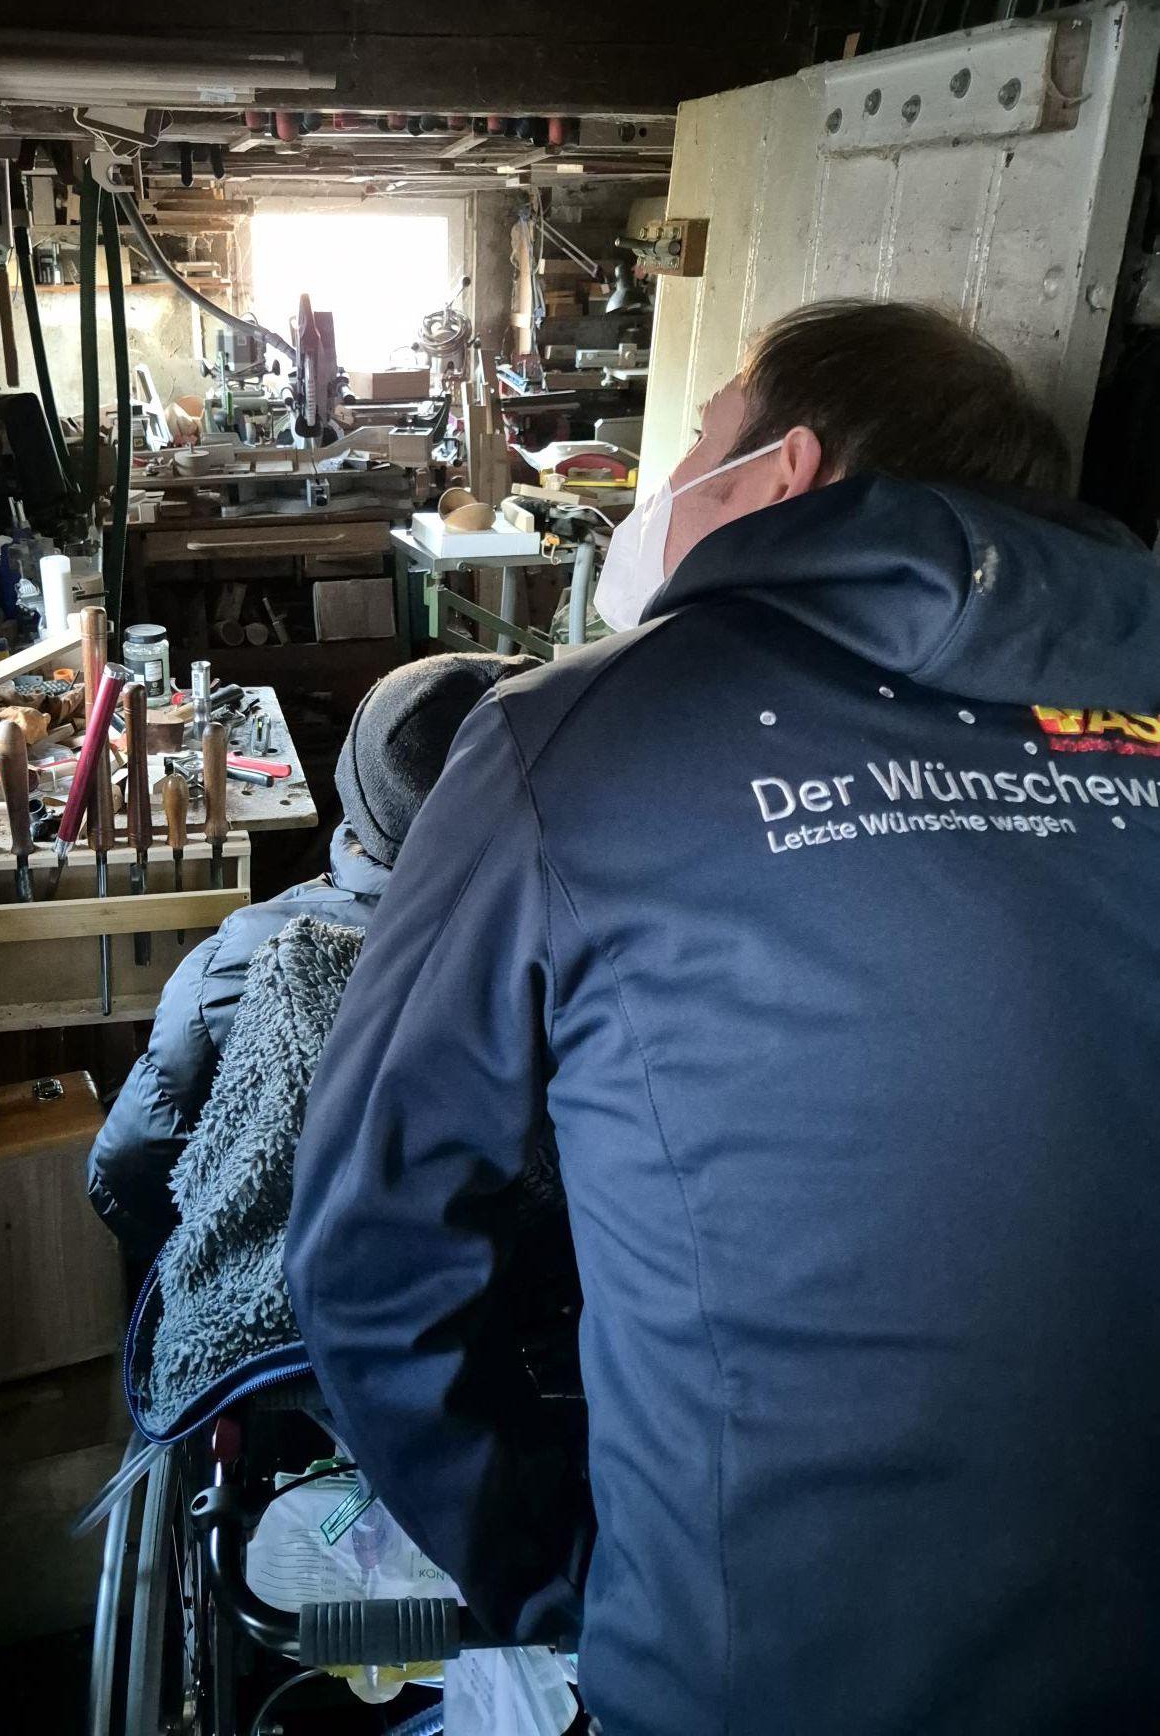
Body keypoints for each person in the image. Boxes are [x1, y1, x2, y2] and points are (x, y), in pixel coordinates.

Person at [285, 299, 1160, 1736]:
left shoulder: (574, 733)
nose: (664, 482)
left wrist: (565, 1578)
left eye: (698, 437)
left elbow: (370, 1243)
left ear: (782, 469)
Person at [87, 651, 528, 1260]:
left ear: (357, 789)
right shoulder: (586, 940)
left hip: (288, 1285)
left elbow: (122, 1174)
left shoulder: (242, 961)